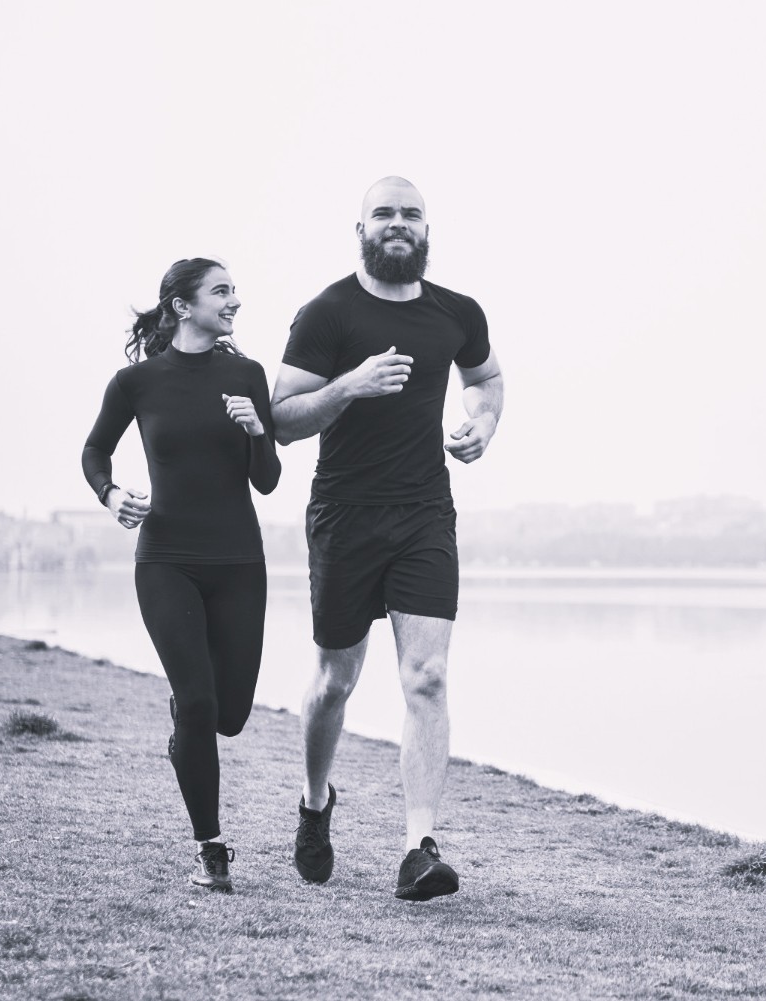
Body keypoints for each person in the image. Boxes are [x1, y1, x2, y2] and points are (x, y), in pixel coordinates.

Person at [271, 176, 503, 900]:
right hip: (344, 513)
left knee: (426, 677)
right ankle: (315, 804)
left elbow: (487, 378)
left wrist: (484, 422)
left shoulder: (456, 313)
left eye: (410, 214)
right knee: (336, 679)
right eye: (384, 213)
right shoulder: (328, 312)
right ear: (361, 228)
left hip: (425, 513)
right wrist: (350, 386)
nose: (397, 224)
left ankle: (418, 848)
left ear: (427, 229)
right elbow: (281, 417)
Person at [81, 258, 281, 893]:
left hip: (240, 563)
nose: (235, 303)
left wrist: (256, 430)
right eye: (222, 292)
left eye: (234, 292)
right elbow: (94, 451)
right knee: (198, 703)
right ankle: (211, 848)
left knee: (230, 715)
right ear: (181, 306)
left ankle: (188, 727)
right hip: (165, 560)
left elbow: (268, 480)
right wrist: (112, 496)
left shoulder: (246, 374)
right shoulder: (135, 383)